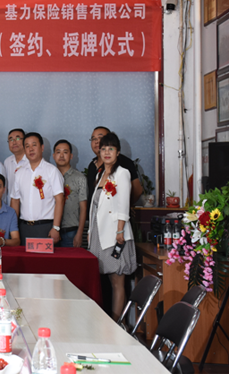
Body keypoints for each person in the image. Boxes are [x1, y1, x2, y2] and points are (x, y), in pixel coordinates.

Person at [87, 132, 137, 321]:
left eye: (111, 149)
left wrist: (120, 231)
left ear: (118, 152)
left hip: (115, 235)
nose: (107, 152)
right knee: (106, 281)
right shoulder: (100, 174)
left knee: (117, 281)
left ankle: (117, 324)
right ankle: (108, 322)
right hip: (100, 234)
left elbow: (123, 204)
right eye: (103, 149)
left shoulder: (122, 173)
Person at [10, 132, 64, 243]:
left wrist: (56, 227)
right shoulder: (19, 173)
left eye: (34, 145)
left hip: (46, 227)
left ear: (42, 148)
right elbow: (15, 201)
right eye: (27, 146)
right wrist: (13, 228)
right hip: (24, 227)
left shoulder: (52, 171)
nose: (31, 149)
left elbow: (60, 200)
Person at [86, 126, 143, 205]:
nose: (96, 141)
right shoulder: (92, 165)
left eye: (100, 137)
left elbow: (137, 191)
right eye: (93, 139)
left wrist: (124, 205)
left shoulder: (124, 163)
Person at [53, 140, 87, 248]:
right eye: (58, 152)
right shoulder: (49, 176)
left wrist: (79, 234)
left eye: (65, 152)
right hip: (51, 231)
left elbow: (83, 208)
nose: (61, 155)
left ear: (71, 156)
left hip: (71, 232)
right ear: (53, 156)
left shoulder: (80, 178)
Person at [3, 128, 30, 198]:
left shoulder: (31, 160)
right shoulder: (7, 162)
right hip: (11, 203)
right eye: (11, 140)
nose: (14, 142)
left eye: (18, 139)